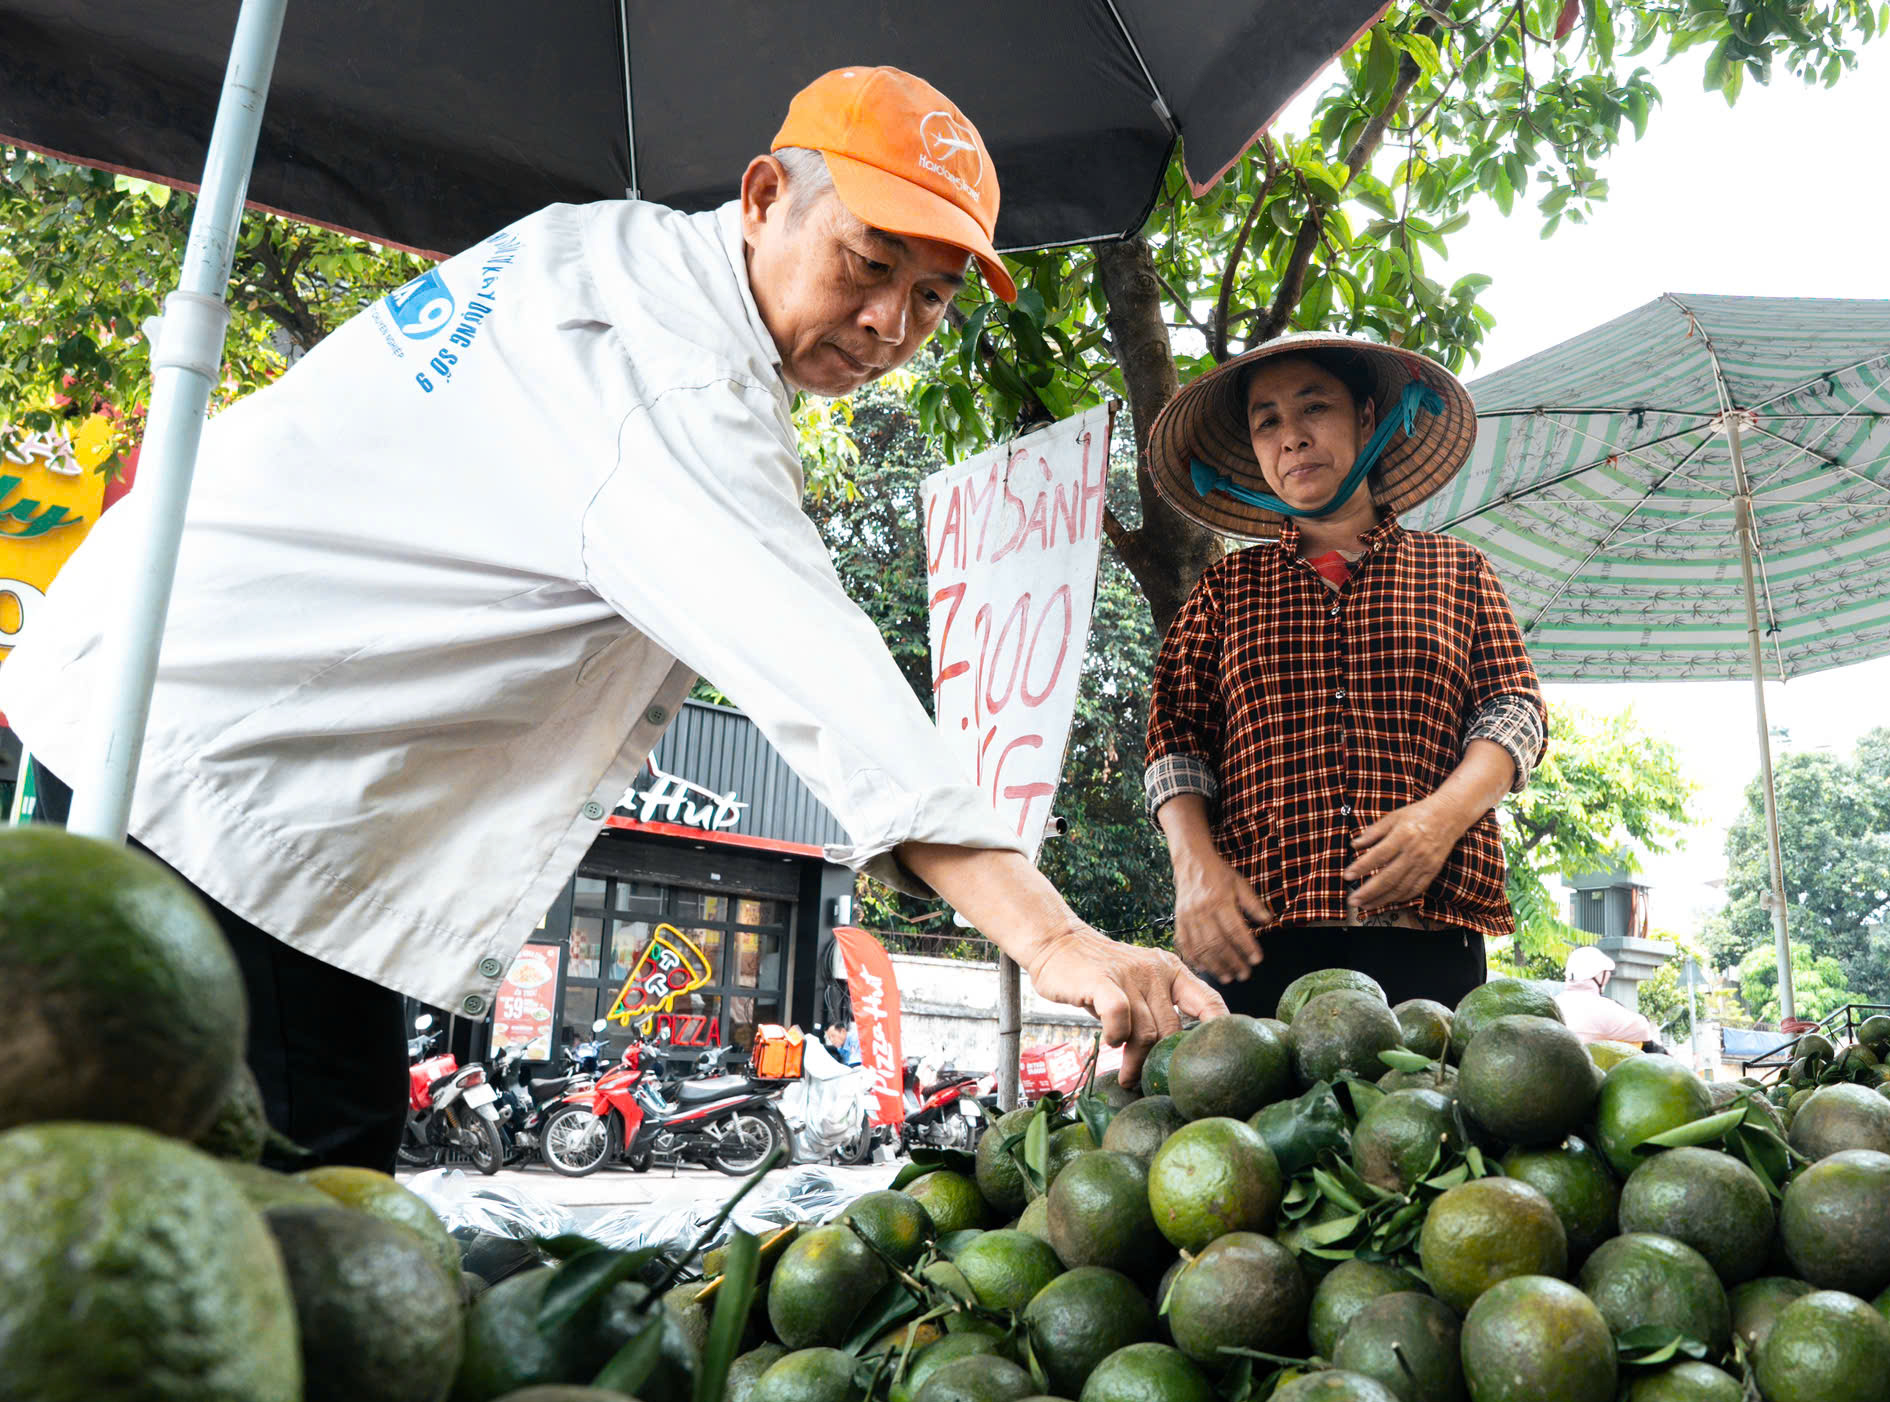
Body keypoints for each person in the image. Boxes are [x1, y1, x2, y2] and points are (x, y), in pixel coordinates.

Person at [1, 66, 1215, 1172]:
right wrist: (1056, 942)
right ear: (762, 197)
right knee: (240, 1196)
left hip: (234, 751)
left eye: (932, 297)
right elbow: (827, 682)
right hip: (198, 761)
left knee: (325, 1167)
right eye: (867, 261)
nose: (890, 323)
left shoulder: (611, 253)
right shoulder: (669, 368)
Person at [1142, 332, 1546, 1016]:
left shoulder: (1456, 570)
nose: (1292, 437)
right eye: (1267, 420)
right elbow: (1175, 740)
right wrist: (1193, 868)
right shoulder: (1225, 591)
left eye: (1314, 408)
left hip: (1427, 938)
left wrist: (1441, 820)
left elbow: (1515, 713)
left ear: (1366, 418)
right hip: (1257, 945)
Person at [1555, 945, 1662, 1050]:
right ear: (1598, 975)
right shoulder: (1601, 1007)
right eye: (1606, 973)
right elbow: (1642, 1029)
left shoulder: (1555, 1002)